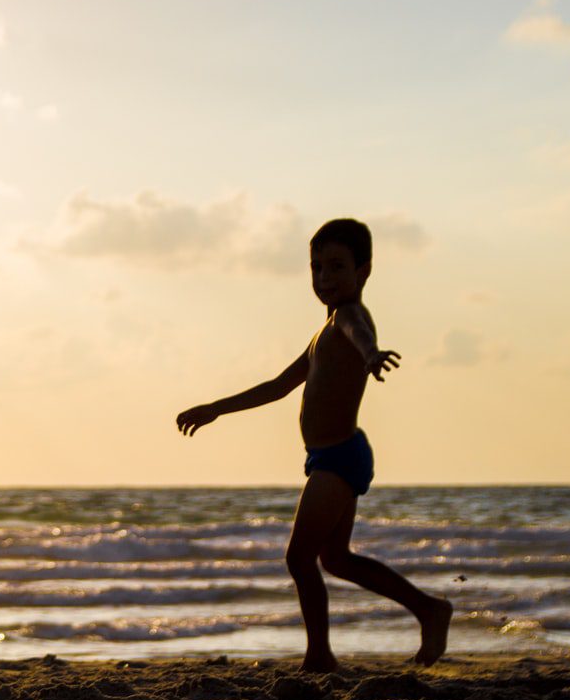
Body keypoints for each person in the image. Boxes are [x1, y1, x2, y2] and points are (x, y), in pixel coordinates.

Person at [176, 218, 450, 672]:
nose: (325, 278)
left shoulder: (348, 318)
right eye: (317, 268)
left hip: (339, 458)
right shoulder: (321, 332)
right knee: (336, 559)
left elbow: (361, 337)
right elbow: (280, 385)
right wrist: (216, 408)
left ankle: (319, 655)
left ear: (364, 271)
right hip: (328, 457)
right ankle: (428, 609)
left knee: (299, 557)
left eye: (337, 267)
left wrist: (371, 356)